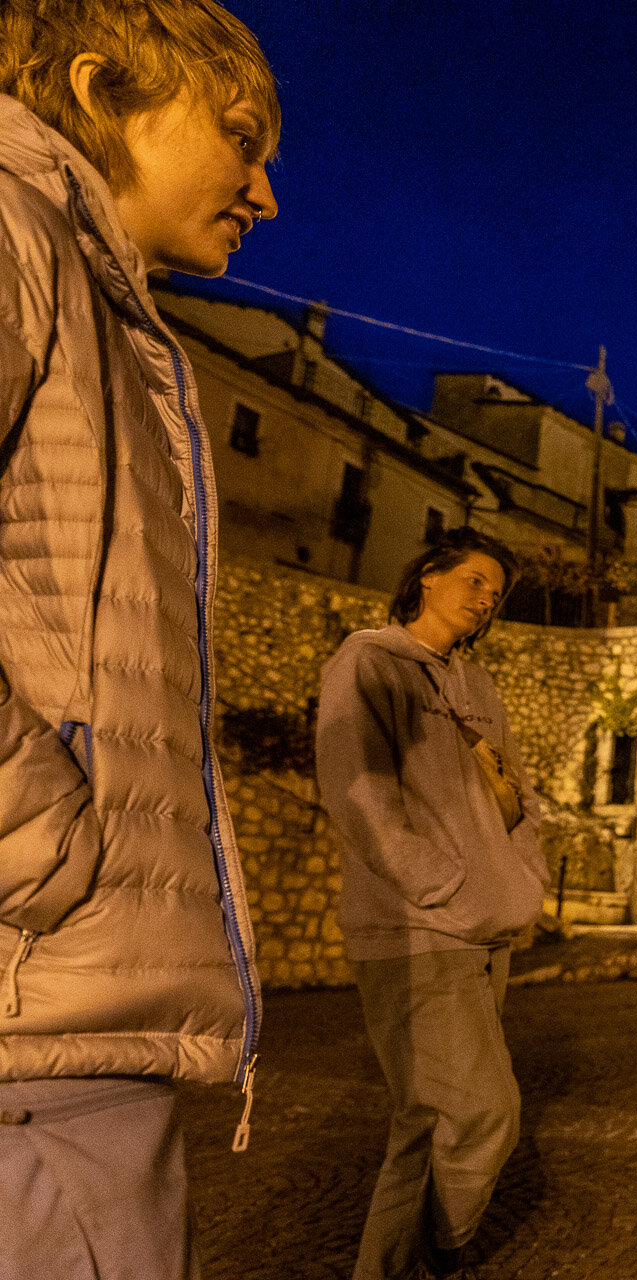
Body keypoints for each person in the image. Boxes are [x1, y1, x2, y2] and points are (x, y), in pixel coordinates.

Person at [0, 4, 279, 1276]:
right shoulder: (14, 227)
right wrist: (37, 840)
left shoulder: (88, 291)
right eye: (238, 137)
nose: (264, 192)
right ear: (100, 87)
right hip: (37, 1008)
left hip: (64, 1013)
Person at [316, 528, 547, 1280]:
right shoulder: (369, 662)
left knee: (423, 1122)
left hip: (488, 928)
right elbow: (360, 790)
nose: (486, 601)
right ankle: (446, 1257)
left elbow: (519, 796)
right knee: (487, 1112)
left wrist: (519, 875)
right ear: (426, 576)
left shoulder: (478, 687)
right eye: (476, 581)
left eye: (495, 592)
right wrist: (438, 884)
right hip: (415, 928)